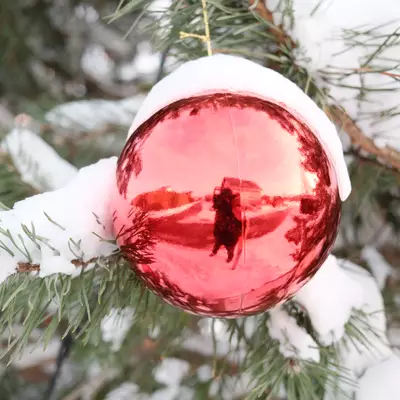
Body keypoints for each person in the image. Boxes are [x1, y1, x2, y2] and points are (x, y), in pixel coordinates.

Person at [210, 187, 246, 263]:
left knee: (230, 248)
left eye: (226, 198)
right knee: (217, 244)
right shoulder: (220, 208)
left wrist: (237, 231)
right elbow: (217, 220)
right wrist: (216, 230)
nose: (225, 199)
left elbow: (241, 223)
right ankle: (214, 252)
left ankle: (230, 257)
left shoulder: (235, 207)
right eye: (223, 197)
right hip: (221, 232)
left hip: (230, 235)